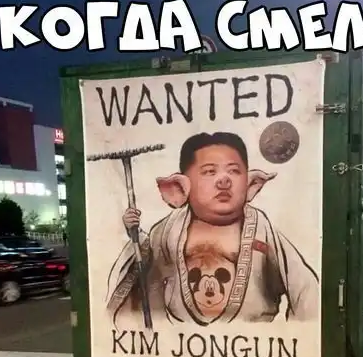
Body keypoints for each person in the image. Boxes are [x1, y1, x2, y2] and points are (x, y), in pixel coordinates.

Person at [106, 131, 319, 326]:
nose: (224, 180)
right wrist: (134, 233)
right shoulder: (167, 231)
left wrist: (299, 335)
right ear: (179, 188)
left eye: (234, 171)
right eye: (209, 172)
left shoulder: (261, 230)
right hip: (181, 342)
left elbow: (304, 287)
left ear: (251, 184)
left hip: (250, 344)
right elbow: (148, 273)